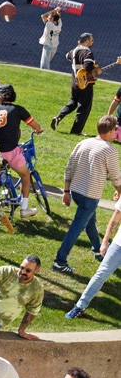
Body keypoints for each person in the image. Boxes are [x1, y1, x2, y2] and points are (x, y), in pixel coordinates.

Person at [55, 115, 121, 273]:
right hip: (90, 196)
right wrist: (120, 191)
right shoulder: (110, 150)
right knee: (77, 227)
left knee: (90, 221)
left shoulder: (83, 143)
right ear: (110, 131)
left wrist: (66, 191)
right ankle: (59, 262)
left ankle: (98, 250)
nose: (116, 132)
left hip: (76, 192)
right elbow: (116, 177)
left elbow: (69, 167)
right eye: (115, 129)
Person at [0, 84, 44, 218]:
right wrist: (38, 130)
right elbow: (34, 124)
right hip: (10, 151)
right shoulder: (18, 110)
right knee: (25, 176)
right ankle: (24, 208)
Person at [69, 183, 121, 318]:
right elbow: (115, 219)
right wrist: (105, 242)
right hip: (118, 245)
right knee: (100, 275)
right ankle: (80, 306)